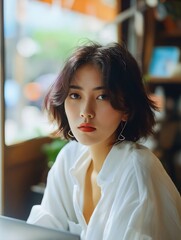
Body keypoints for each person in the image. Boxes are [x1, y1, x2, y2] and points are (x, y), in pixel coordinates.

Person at [27, 41, 181, 239]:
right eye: (75, 95)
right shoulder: (69, 156)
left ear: (126, 108)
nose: (86, 112)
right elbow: (42, 229)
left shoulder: (137, 171)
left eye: (102, 97)